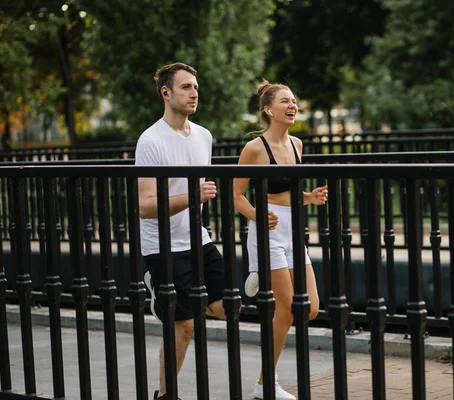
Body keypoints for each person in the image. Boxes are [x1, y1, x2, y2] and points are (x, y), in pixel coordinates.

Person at [135, 62, 226, 400]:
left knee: (226, 307)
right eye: (186, 87)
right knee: (184, 327)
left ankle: (170, 298)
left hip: (197, 238)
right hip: (162, 245)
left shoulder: (204, 136)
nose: (194, 93)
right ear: (166, 92)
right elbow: (145, 206)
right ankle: (164, 395)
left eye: (196, 87)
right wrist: (191, 196)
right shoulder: (151, 140)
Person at [233, 81, 328, 400]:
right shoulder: (255, 148)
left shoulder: (298, 144)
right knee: (286, 311)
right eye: (285, 101)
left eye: (295, 100)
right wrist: (257, 215)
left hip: (292, 230)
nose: (293, 105)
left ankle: (261, 273)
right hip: (267, 229)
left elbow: (288, 192)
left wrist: (309, 197)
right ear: (268, 109)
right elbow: (237, 196)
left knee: (311, 308)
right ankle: (265, 385)